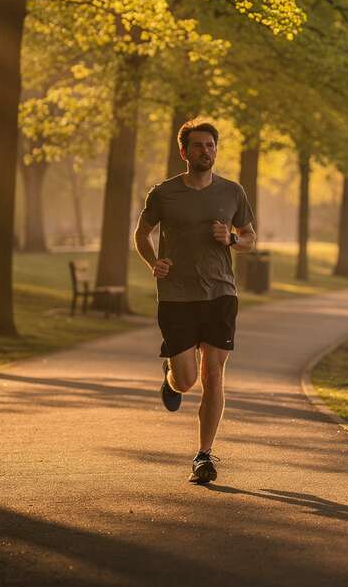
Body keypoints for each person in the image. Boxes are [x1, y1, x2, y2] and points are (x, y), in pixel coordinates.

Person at [133, 121, 256, 484]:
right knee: (187, 381)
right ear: (184, 152)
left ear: (217, 150)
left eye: (211, 145)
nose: (206, 151)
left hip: (221, 293)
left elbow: (250, 237)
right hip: (176, 294)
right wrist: (153, 261)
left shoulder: (232, 192)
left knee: (214, 374)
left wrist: (232, 239)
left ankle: (203, 455)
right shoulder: (163, 194)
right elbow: (142, 233)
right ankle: (170, 381)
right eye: (198, 146)